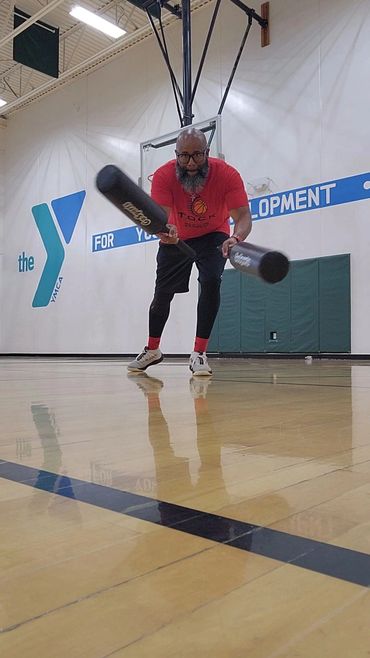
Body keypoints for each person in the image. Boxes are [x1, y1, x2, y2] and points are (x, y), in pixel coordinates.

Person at [127, 127, 252, 376]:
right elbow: (160, 216)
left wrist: (236, 237)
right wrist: (163, 230)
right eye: (183, 156)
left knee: (210, 281)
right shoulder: (163, 176)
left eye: (197, 155)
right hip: (177, 238)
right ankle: (152, 350)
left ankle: (199, 354)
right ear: (176, 155)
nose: (191, 162)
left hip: (214, 236)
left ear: (207, 152)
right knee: (162, 294)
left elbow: (243, 216)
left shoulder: (227, 175)